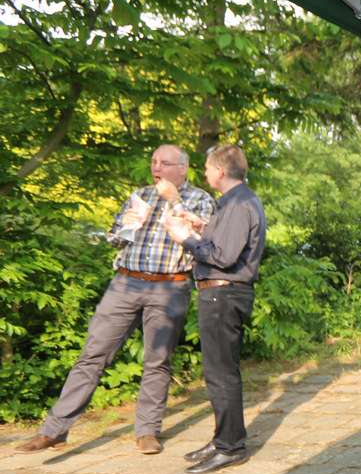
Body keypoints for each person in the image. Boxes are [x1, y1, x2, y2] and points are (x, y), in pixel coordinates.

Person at [15, 145, 216, 455]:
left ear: (182, 169)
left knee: (157, 361)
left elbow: (202, 243)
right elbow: (113, 239)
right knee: (92, 355)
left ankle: (147, 432)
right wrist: (127, 225)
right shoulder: (140, 195)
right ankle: (53, 431)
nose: (156, 167)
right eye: (154, 161)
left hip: (169, 287)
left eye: (164, 162)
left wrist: (174, 201)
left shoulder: (200, 200)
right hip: (125, 283)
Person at [163, 144, 266, 474]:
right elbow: (226, 243)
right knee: (219, 372)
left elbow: (223, 256)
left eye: (207, 168)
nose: (204, 173)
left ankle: (231, 448)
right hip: (222, 294)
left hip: (224, 294)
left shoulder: (238, 205)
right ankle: (224, 439)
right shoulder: (235, 203)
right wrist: (202, 226)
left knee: (221, 374)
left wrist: (186, 239)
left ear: (220, 171)